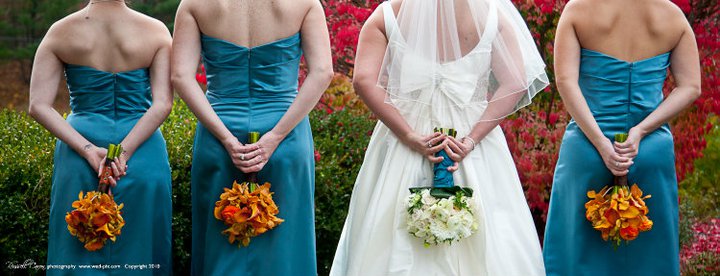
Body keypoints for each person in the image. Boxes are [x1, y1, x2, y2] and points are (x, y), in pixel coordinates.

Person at [330, 0, 549, 274]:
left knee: (385, 233)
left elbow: (363, 80)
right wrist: (471, 140)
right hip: (468, 139)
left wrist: (409, 135)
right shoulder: (493, 14)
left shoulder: (387, 14)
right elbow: (515, 82)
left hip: (405, 136)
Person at [170, 0, 333, 274]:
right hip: (286, 133)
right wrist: (276, 136)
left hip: (218, 131)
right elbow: (323, 72)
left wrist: (226, 139)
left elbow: (181, 77)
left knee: (220, 242)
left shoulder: (193, 4)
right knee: (286, 246)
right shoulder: (305, 3)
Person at [543, 0, 701, 274]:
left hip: (588, 148)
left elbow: (566, 81)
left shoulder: (579, 9)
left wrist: (602, 143)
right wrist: (640, 131)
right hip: (649, 150)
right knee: (649, 260)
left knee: (575, 255)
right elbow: (691, 86)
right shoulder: (672, 16)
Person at [28, 0, 173, 275]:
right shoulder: (155, 30)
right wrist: (124, 152)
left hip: (79, 150)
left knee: (77, 250)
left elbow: (38, 105)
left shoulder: (60, 31)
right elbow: (163, 104)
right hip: (142, 150)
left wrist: (86, 150)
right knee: (141, 246)